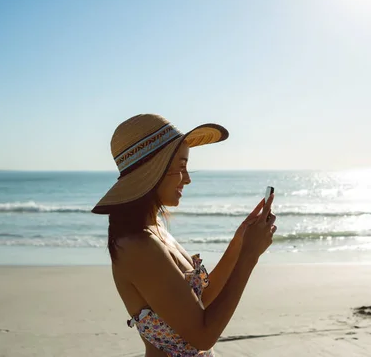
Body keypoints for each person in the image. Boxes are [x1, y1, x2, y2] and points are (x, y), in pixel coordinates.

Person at [91, 114, 277, 356]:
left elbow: (201, 301)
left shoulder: (155, 230)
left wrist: (239, 243)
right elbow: (203, 336)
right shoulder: (137, 246)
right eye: (181, 167)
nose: (187, 179)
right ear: (152, 172)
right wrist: (248, 257)